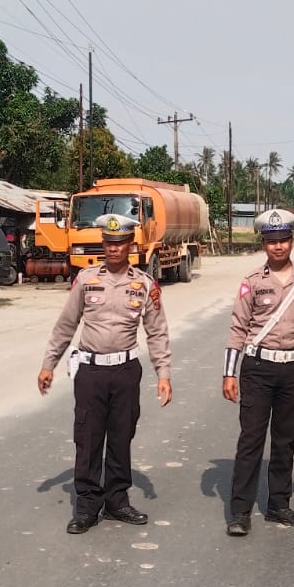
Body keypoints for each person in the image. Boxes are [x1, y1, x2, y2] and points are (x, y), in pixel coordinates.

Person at [38, 214, 173, 534]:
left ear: (131, 245)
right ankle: (86, 506)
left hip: (125, 371)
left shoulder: (145, 284)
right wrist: (48, 364)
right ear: (103, 244)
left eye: (120, 243)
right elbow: (66, 325)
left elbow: (157, 332)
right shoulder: (86, 280)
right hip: (91, 371)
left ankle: (116, 501)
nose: (114, 248)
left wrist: (163, 373)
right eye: (109, 243)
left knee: (121, 436)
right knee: (88, 437)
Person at [221, 209, 294, 536]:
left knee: (285, 441)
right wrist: (229, 373)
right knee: (251, 441)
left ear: (292, 242)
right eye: (272, 241)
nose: (278, 246)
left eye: (284, 240)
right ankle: (240, 512)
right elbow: (238, 328)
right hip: (257, 369)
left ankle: (279, 506)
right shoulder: (252, 282)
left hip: (293, 370)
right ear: (263, 245)